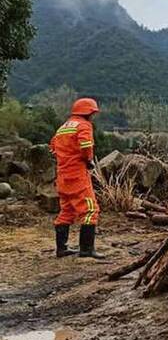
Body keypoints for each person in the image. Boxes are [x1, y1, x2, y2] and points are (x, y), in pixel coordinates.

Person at [49, 98, 104, 259]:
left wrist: (65, 159)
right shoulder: (84, 125)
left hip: (62, 177)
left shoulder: (62, 128)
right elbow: (86, 146)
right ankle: (86, 250)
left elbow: (52, 147)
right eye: (92, 113)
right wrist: (89, 161)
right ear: (88, 112)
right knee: (90, 210)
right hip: (77, 176)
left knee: (67, 211)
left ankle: (61, 249)